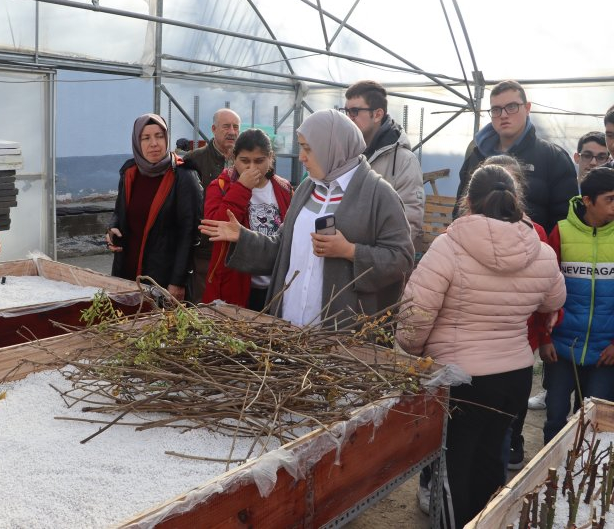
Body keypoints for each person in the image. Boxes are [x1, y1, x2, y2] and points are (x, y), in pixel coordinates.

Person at [397, 164, 565, 529]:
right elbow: (555, 298)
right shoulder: (539, 250)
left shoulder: (448, 246)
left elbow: (414, 320)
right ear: (515, 201)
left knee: (453, 468)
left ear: (467, 201)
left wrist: (413, 348)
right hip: (515, 377)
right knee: (492, 459)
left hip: (463, 380)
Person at [200, 109, 413, 327]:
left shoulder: (379, 194)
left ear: (332, 147)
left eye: (308, 149)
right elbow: (283, 248)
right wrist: (243, 237)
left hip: (342, 335)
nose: (301, 156)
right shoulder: (308, 188)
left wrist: (349, 251)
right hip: (289, 326)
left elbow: (402, 259)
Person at [541, 166, 614, 444]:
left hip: (605, 354)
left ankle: (582, 485)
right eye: (609, 199)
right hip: (562, 348)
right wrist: (545, 338)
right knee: (555, 418)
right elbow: (546, 289)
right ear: (587, 201)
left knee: (594, 424)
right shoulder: (560, 232)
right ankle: (549, 481)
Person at [452, 80, 577, 235]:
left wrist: (542, 251)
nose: (503, 115)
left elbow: (563, 221)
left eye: (512, 107)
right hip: (476, 250)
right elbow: (460, 210)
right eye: (496, 109)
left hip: (530, 252)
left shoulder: (553, 157)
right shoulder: (475, 157)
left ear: (527, 108)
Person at [106, 113, 202, 301]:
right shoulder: (129, 173)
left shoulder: (183, 176)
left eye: (159, 136)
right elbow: (119, 212)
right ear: (137, 141)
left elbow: (189, 233)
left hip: (163, 279)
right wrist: (112, 228)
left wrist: (178, 281)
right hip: (126, 273)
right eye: (146, 138)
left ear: (166, 138)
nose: (154, 143)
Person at [202, 128, 292, 310]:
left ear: (270, 157)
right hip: (235, 283)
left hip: (274, 285)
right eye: (245, 161)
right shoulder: (220, 186)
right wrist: (242, 188)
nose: (252, 168)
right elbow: (214, 226)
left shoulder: (283, 189)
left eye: (259, 161)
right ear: (234, 159)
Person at [344, 80, 425, 251]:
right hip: (340, 258)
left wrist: (380, 258)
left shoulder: (404, 160)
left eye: (355, 111)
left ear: (378, 114)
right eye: (346, 111)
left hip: (376, 264)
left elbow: (409, 218)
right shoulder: (344, 153)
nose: (349, 117)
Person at [183, 108, 241, 302]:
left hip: (236, 248)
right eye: (226, 126)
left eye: (236, 127)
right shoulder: (194, 160)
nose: (232, 131)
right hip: (205, 249)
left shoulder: (244, 161)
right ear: (214, 129)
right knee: (204, 305)